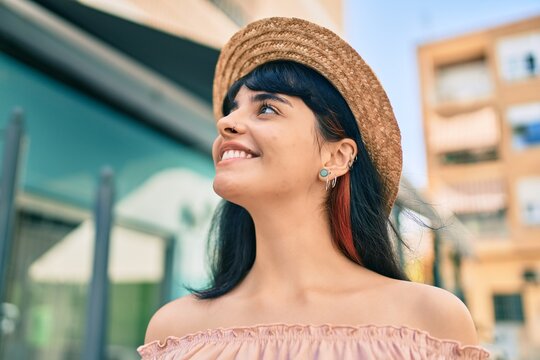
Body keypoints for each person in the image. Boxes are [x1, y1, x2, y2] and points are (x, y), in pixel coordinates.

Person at [138, 17, 490, 359]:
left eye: (266, 108)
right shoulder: (172, 334)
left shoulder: (431, 322)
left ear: (337, 156)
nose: (226, 122)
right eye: (233, 108)